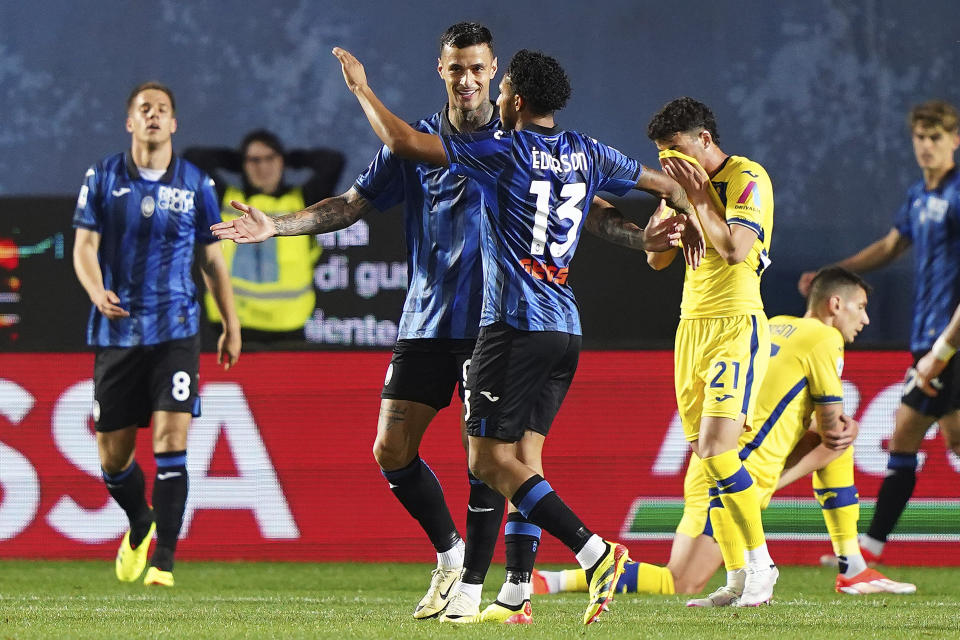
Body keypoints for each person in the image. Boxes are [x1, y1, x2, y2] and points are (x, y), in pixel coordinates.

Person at [213, 24, 691, 624]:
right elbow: (351, 205)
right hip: (428, 317)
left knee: (494, 458)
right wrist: (275, 226)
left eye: (478, 70)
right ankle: (452, 555)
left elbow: (595, 213)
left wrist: (636, 235)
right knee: (392, 449)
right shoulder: (424, 139)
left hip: (497, 323)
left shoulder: (515, 142)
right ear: (441, 71)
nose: (467, 79)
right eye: (455, 69)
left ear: (496, 77)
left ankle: (484, 588)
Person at [532, 267, 916, 600]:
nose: (864, 320)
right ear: (835, 304)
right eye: (860, 308)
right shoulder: (824, 338)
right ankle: (551, 581)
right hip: (735, 470)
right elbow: (832, 425)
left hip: (720, 456)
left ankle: (852, 567)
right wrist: (831, 429)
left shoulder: (774, 324)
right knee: (679, 581)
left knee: (834, 444)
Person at [72, 81, 241, 587]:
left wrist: (230, 323)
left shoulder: (196, 185)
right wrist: (96, 289)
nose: (152, 116)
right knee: (113, 459)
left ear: (173, 124)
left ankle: (164, 560)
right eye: (143, 109)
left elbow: (212, 259)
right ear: (130, 122)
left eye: (161, 109)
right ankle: (140, 521)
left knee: (172, 442)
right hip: (117, 332)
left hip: (177, 330)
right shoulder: (101, 177)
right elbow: (83, 244)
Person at [798, 100, 960, 564]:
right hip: (927, 338)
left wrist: (943, 348)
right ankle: (867, 548)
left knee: (904, 429)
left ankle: (866, 549)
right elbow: (891, 245)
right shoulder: (918, 195)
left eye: (936, 138)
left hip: (948, 338)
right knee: (956, 439)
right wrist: (835, 272)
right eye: (920, 138)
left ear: (955, 140)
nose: (927, 147)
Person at [646, 97, 777, 605]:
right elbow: (657, 261)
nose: (670, 165)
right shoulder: (681, 188)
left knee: (721, 448)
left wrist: (699, 200)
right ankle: (739, 575)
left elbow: (735, 249)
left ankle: (761, 563)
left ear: (704, 139)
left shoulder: (746, 177)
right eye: (662, 157)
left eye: (676, 151)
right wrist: (667, 231)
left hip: (734, 324)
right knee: (706, 456)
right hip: (690, 327)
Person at [183, 131, 344, 344]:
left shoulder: (303, 201)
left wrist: (291, 158)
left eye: (270, 158)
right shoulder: (226, 200)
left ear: (281, 162)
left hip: (288, 326)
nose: (263, 167)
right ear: (244, 165)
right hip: (230, 324)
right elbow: (193, 159)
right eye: (254, 160)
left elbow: (332, 162)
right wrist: (237, 160)